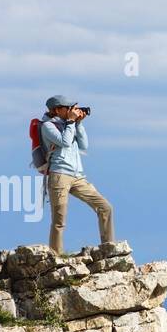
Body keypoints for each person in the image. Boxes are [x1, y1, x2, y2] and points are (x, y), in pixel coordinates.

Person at [39, 95, 115, 253]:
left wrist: (78, 124)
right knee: (59, 220)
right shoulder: (47, 126)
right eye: (68, 108)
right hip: (59, 175)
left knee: (105, 207)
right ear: (57, 110)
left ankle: (109, 248)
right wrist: (71, 122)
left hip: (77, 176)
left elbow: (84, 144)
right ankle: (56, 256)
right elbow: (65, 142)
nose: (71, 111)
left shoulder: (69, 125)